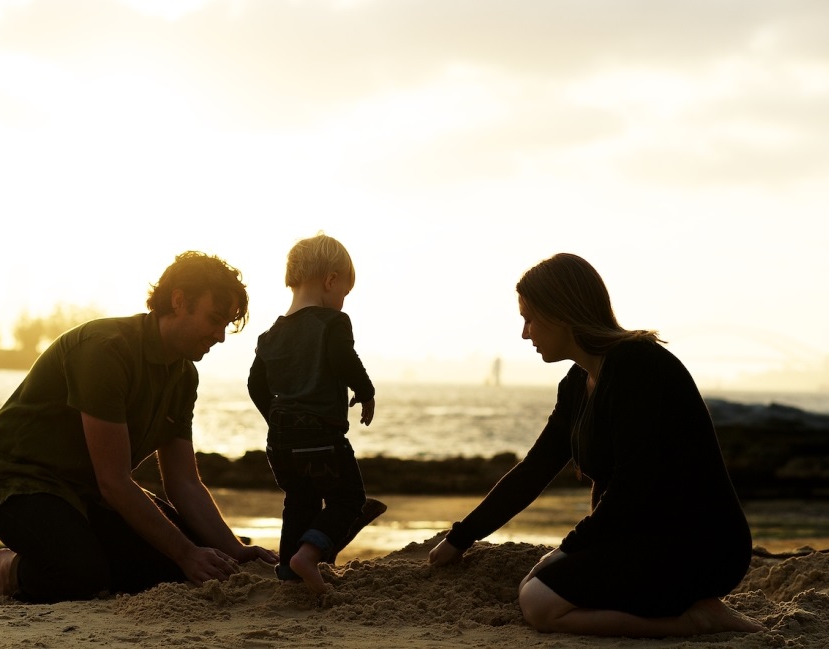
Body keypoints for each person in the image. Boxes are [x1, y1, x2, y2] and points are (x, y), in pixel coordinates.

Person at [428, 253, 764, 637]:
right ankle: (687, 608)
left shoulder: (637, 366)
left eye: (530, 318)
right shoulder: (576, 383)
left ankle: (697, 620)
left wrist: (567, 549)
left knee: (540, 602)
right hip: (638, 535)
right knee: (536, 587)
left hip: (697, 545)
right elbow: (533, 470)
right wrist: (460, 537)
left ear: (561, 314)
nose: (525, 333)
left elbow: (633, 485)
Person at [0, 251, 278, 603]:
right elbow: (114, 481)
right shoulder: (106, 350)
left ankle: (94, 553)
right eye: (214, 319)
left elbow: (184, 482)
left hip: (91, 492)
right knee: (81, 576)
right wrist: (185, 552)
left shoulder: (183, 376)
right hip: (22, 482)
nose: (221, 336)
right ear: (179, 301)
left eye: (226, 324)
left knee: (180, 569)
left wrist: (233, 547)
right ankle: (7, 568)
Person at [247, 233, 382, 594]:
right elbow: (343, 358)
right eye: (344, 293)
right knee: (348, 498)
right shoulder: (332, 323)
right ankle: (307, 556)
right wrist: (366, 391)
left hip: (279, 443)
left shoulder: (270, 334)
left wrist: (278, 419)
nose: (342, 302)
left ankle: (288, 571)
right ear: (331, 280)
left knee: (299, 501)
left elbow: (255, 386)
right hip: (321, 436)